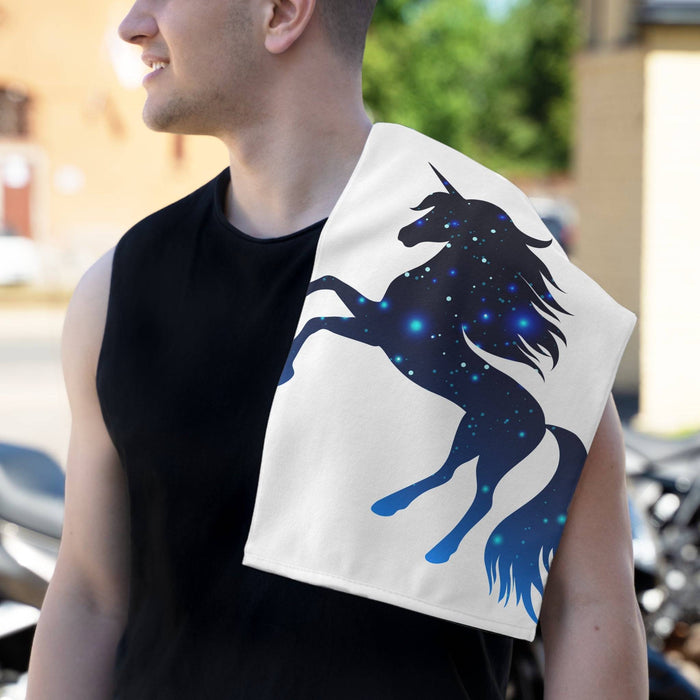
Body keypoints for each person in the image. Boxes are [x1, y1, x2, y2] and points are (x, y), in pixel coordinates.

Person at [26, 0, 648, 697]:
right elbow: (88, 597)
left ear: (282, 13)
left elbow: (587, 606)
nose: (134, 23)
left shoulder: (502, 265)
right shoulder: (117, 290)